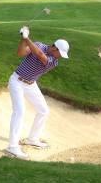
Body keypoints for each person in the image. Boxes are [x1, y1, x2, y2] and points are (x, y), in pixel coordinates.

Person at [4, 26, 70, 159]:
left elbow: (40, 55)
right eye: (60, 53)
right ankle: (12, 147)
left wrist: (27, 38)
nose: (60, 57)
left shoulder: (53, 61)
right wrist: (23, 39)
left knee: (43, 110)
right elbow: (20, 53)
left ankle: (32, 139)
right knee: (19, 111)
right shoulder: (38, 44)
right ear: (54, 48)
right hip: (16, 82)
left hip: (30, 84)